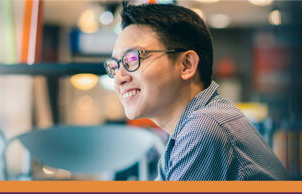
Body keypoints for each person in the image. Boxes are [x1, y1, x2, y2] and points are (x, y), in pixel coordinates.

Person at [104, 3, 287, 181]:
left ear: (186, 65)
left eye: (132, 58)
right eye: (115, 65)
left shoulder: (204, 128)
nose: (120, 77)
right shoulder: (185, 134)